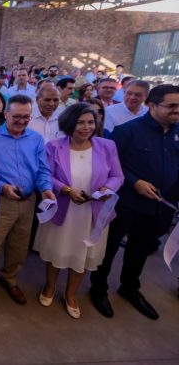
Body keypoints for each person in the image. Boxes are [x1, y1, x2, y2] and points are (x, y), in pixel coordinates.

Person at [90, 84, 179, 320]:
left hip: (159, 206)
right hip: (125, 204)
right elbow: (109, 165)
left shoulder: (177, 132)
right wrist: (134, 181)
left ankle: (130, 287)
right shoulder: (127, 131)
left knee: (140, 249)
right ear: (151, 105)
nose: (176, 111)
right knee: (109, 248)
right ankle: (98, 289)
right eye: (171, 106)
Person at [34, 104, 123, 319]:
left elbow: (117, 176)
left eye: (90, 122)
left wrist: (107, 189)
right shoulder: (54, 147)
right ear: (69, 124)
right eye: (80, 122)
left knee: (83, 254)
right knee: (57, 249)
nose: (86, 127)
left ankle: (71, 294)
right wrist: (66, 190)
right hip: (65, 208)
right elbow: (46, 175)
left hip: (93, 211)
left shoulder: (107, 146)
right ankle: (49, 286)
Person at [0, 95, 55, 305]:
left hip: (28, 201)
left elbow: (43, 169)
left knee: (19, 245)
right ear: (6, 114)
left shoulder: (36, 139)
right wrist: (2, 186)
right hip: (1, 200)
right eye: (17, 116)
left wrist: (46, 189)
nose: (22, 121)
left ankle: (10, 279)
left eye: (26, 117)